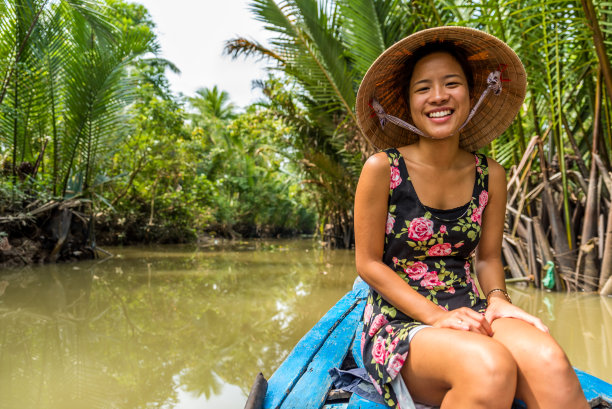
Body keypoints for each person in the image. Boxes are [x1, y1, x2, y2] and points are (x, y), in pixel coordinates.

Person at [353, 26, 589, 409]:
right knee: (490, 367)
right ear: (408, 102)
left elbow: (488, 258)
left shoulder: (490, 173)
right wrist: (434, 316)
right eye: (423, 88)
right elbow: (367, 263)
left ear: (472, 95)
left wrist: (497, 299)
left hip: (471, 308)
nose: (439, 97)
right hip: (399, 319)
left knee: (551, 363)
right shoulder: (383, 168)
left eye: (451, 83)